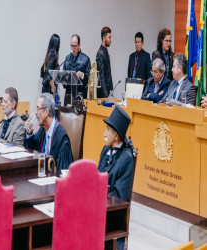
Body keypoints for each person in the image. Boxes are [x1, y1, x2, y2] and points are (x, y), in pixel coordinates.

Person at [98, 105, 134, 250]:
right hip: (98, 207)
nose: (105, 133)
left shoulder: (126, 159)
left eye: (107, 130)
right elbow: (97, 176)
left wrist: (97, 196)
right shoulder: (106, 149)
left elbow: (119, 198)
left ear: (116, 135)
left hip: (111, 216)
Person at [25, 93, 73, 173]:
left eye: (38, 108)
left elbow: (63, 173)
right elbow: (32, 152)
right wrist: (29, 134)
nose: (35, 112)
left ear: (46, 112)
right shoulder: (42, 130)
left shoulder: (62, 138)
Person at [63, 34, 91, 99]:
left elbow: (89, 79)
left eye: (74, 46)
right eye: (71, 46)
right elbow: (63, 77)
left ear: (79, 45)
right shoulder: (67, 59)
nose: (72, 48)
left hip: (80, 96)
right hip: (68, 96)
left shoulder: (85, 59)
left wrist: (83, 75)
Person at [96, 27, 113, 98]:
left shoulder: (105, 51)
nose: (111, 40)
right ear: (104, 38)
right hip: (103, 94)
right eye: (109, 37)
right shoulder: (100, 54)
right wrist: (106, 95)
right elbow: (101, 76)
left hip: (108, 90)